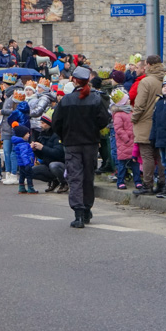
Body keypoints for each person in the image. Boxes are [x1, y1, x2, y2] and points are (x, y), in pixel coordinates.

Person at [52, 66, 111, 228]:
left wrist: (64, 135)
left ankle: (79, 213)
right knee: (87, 177)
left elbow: (56, 123)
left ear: (75, 80)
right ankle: (86, 209)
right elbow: (104, 120)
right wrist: (92, 130)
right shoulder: (96, 99)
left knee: (75, 178)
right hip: (90, 143)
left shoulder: (66, 100)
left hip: (72, 144)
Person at [130, 56, 165, 196]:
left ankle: (147, 184)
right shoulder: (165, 79)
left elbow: (140, 104)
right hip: (161, 122)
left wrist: (134, 117)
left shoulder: (146, 82)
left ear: (148, 65)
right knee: (160, 155)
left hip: (145, 122)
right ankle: (163, 183)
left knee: (147, 156)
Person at [110, 88, 140, 190]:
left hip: (133, 141)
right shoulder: (118, 114)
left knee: (135, 162)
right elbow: (118, 128)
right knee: (122, 163)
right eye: (126, 99)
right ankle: (120, 181)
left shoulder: (131, 112)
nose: (129, 100)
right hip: (124, 142)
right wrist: (126, 138)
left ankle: (138, 181)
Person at [30, 110, 66, 192]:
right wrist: (35, 150)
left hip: (60, 164)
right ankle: (54, 180)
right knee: (31, 171)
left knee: (54, 165)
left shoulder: (57, 135)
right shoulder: (42, 135)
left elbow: (58, 153)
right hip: (47, 164)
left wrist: (42, 148)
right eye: (40, 123)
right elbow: (42, 156)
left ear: (49, 124)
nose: (40, 125)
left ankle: (64, 182)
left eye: (43, 123)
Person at [12, 125, 37, 194]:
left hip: (21, 163)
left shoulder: (18, 143)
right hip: (26, 163)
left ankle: (21, 187)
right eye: (27, 133)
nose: (29, 135)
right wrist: (27, 163)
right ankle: (30, 188)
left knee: (22, 175)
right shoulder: (23, 144)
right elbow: (24, 155)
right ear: (22, 135)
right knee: (29, 176)